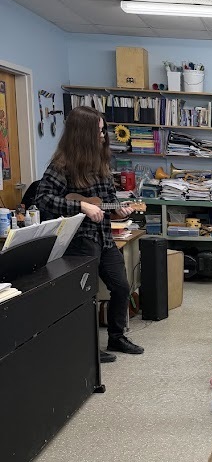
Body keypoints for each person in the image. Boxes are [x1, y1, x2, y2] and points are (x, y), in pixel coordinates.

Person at [35, 106, 143, 363]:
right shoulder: (62, 165)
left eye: (104, 130)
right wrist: (81, 206)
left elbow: (108, 202)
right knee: (86, 295)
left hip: (104, 237)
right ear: (82, 133)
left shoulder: (101, 163)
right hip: (79, 241)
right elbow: (43, 199)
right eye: (98, 131)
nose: (104, 135)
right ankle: (87, 346)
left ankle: (117, 336)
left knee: (121, 286)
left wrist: (120, 211)